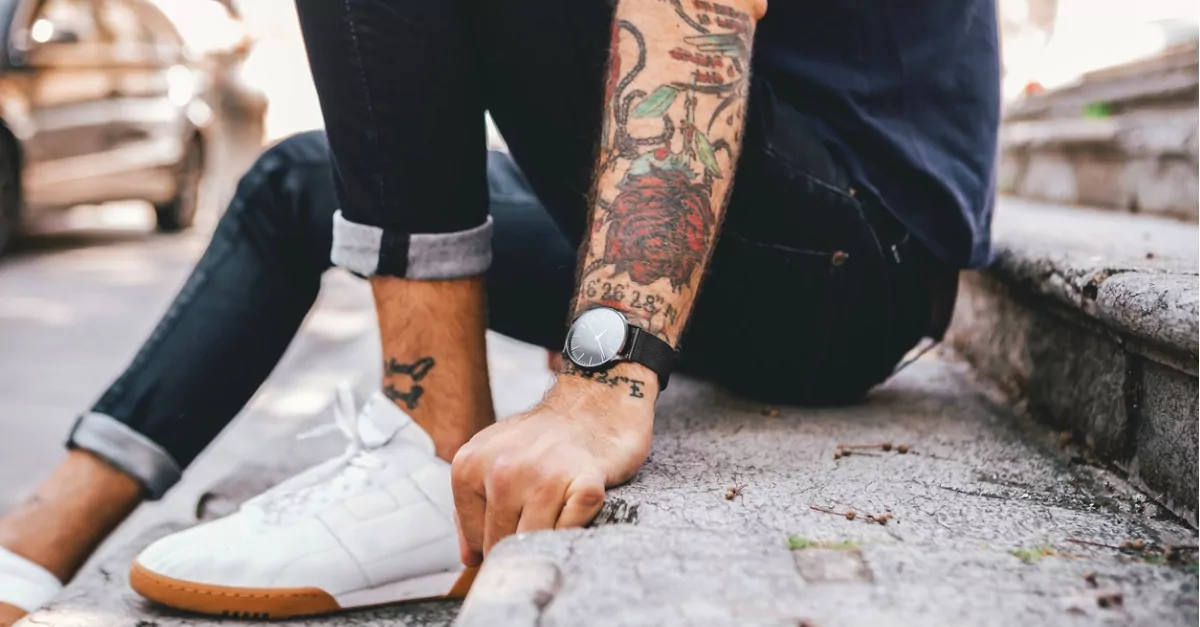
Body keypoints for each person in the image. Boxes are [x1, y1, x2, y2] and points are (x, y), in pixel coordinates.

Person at [0, 0, 1000, 619]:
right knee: (300, 181)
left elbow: (693, 13)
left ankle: (424, 454)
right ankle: (30, 556)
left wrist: (607, 377)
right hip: (771, 240)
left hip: (851, 251)